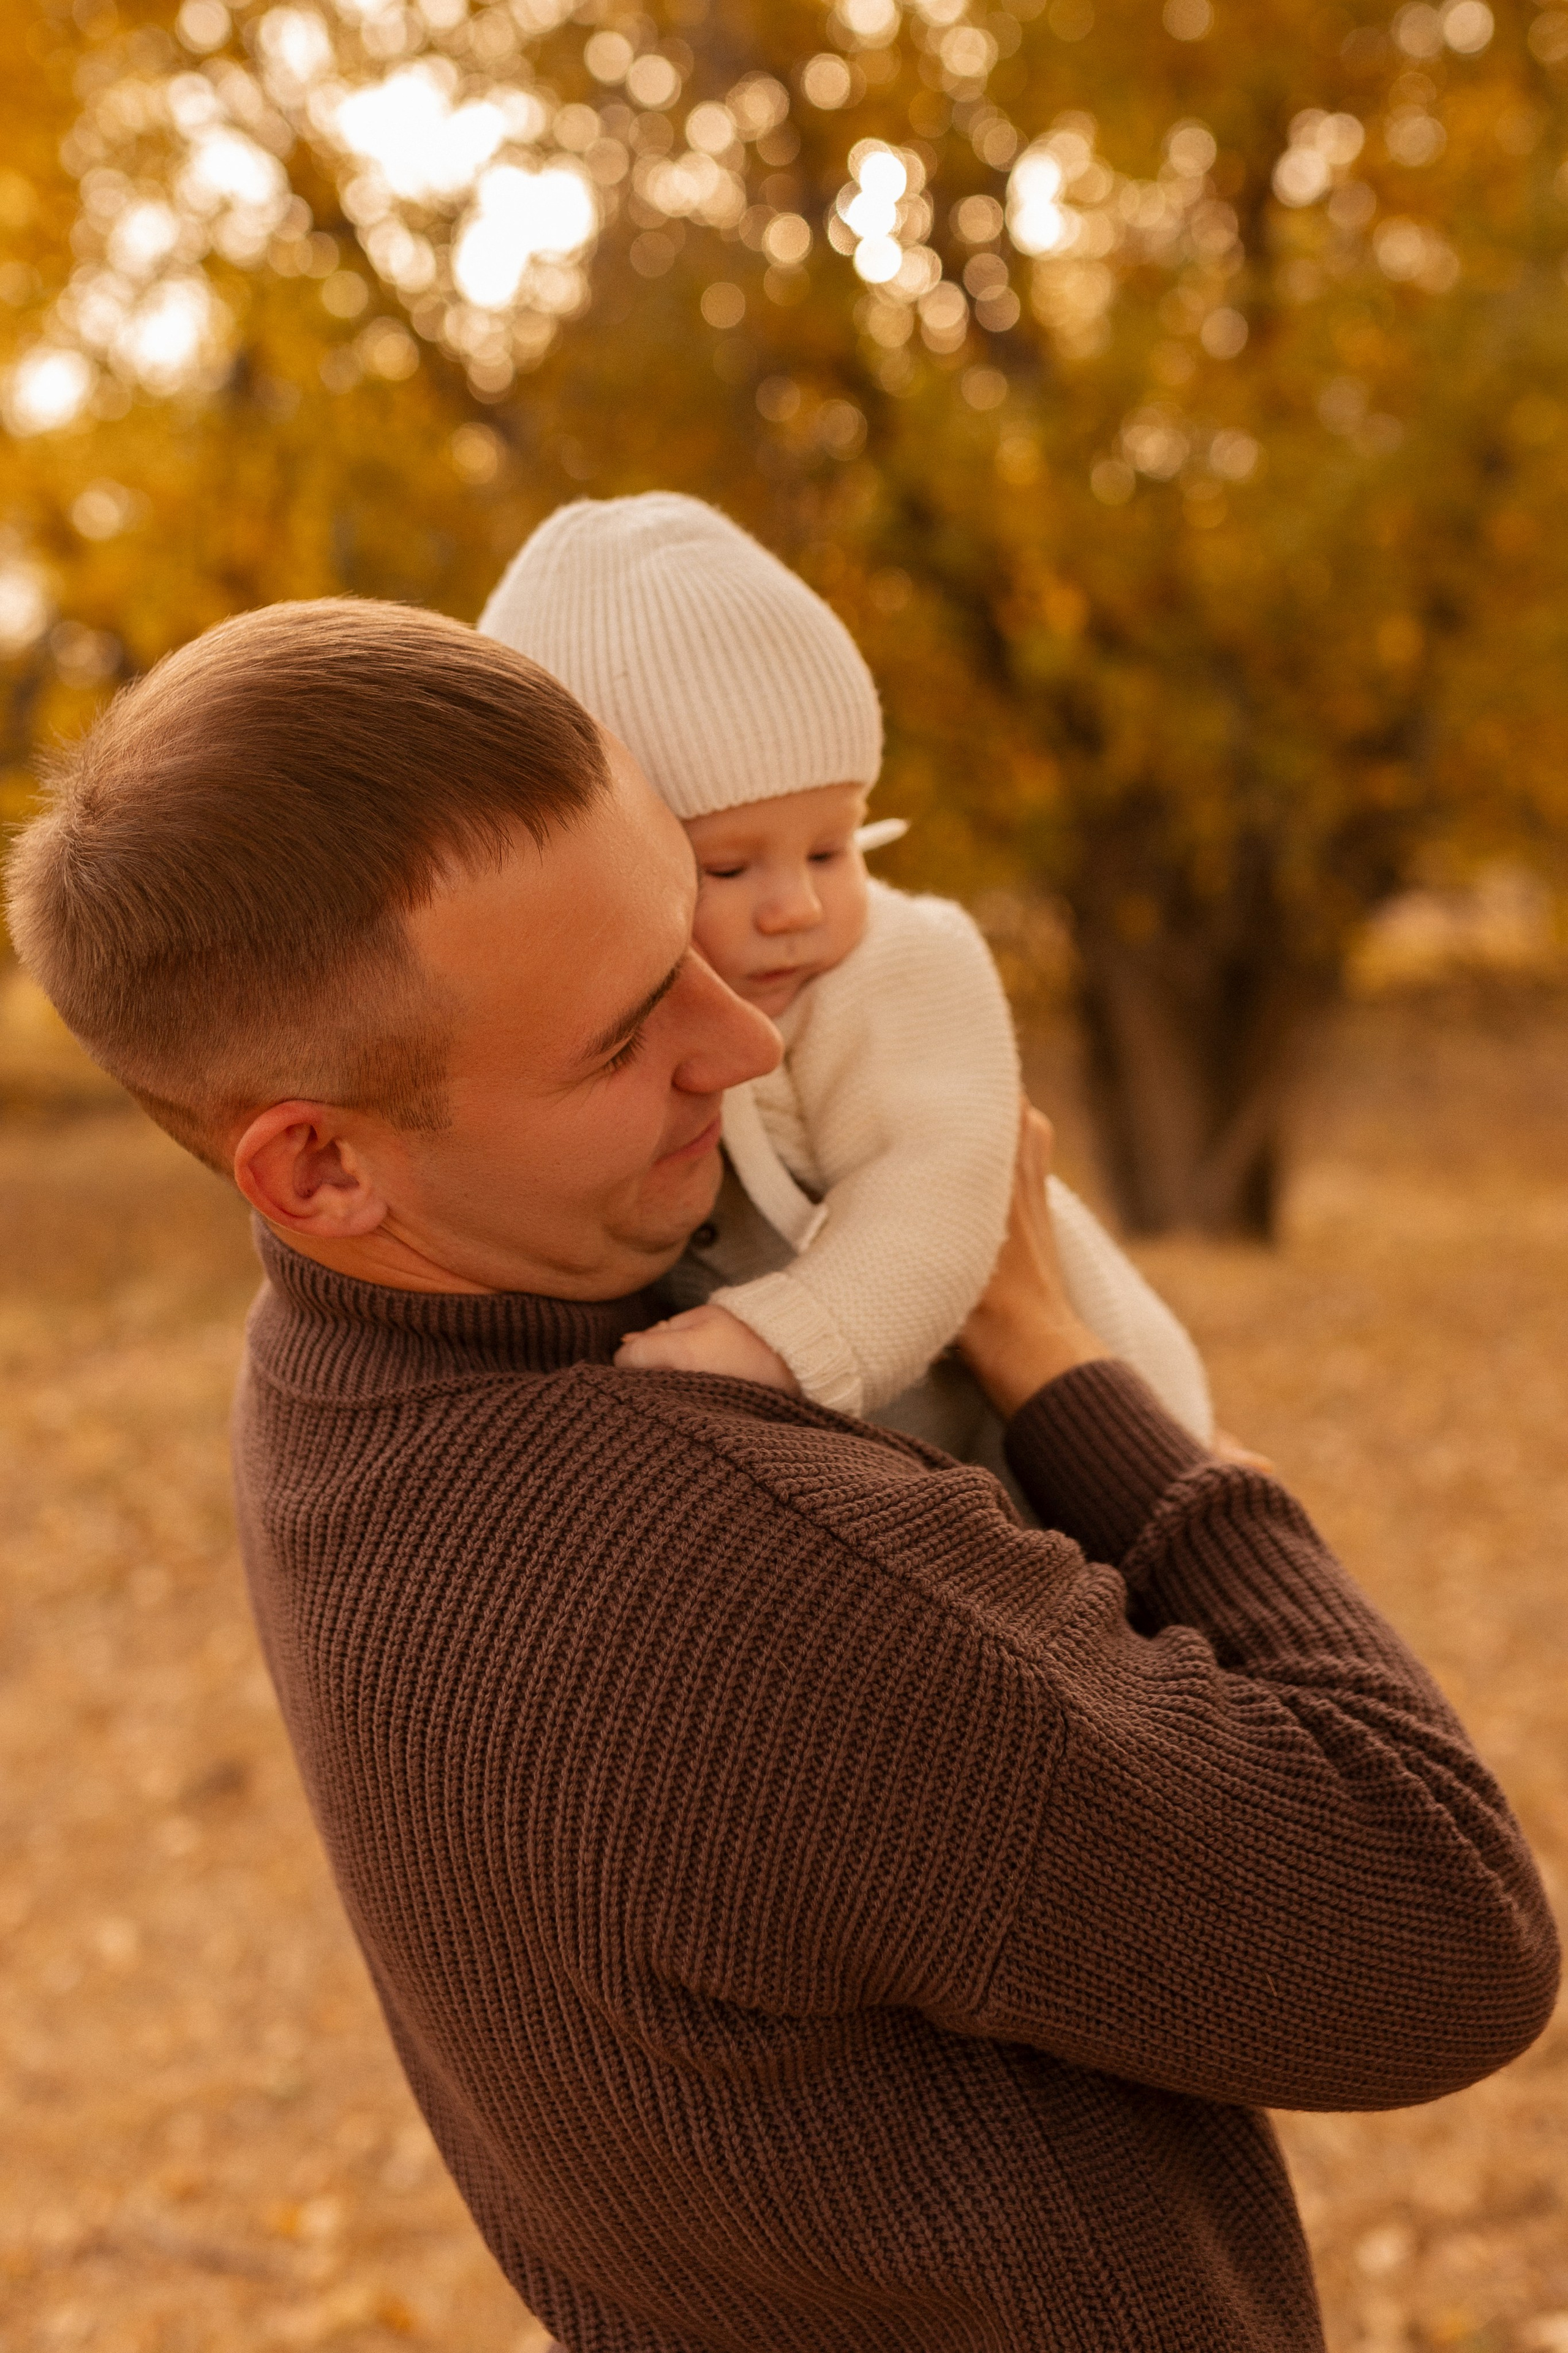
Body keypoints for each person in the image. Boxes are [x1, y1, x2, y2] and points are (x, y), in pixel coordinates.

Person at [7, 597, 1557, 2353]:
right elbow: (1444, 1932)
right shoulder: (724, 1574)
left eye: (692, 925)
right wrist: (1077, 1378)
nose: (746, 1042)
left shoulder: (328, 1381)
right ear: (321, 1170)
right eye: (616, 1036)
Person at [478, 493, 1213, 1459]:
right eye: (730, 869)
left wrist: (787, 1340)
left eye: (834, 849)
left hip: (1077, 1432)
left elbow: (937, 1189)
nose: (799, 907)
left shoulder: (903, 965)